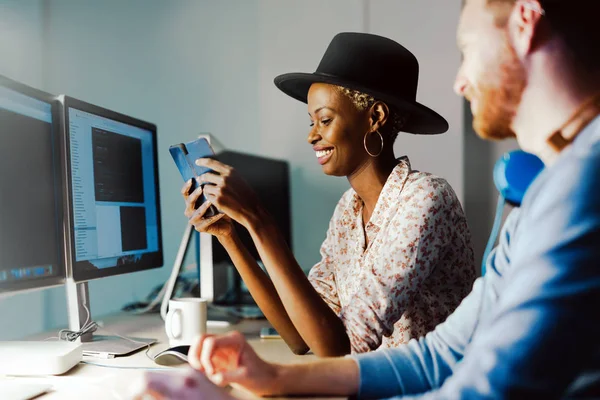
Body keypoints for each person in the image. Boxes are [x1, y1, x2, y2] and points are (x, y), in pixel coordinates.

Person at [133, 0, 600, 398]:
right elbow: (438, 351)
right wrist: (272, 375)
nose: (459, 82)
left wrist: (261, 220)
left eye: (467, 51)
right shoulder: (539, 194)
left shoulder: (437, 199)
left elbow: (486, 382)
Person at [181, 32, 475, 356]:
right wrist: (229, 235)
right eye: (312, 121)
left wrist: (259, 218)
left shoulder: (425, 200)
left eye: (324, 119)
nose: (311, 136)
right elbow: (300, 336)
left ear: (374, 118)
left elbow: (336, 348)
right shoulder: (348, 210)